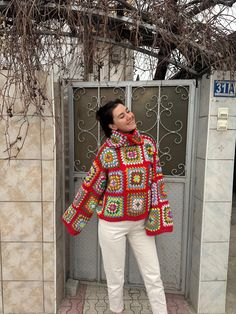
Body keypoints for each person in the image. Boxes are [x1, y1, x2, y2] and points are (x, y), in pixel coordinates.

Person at [62, 99, 173, 314]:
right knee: (115, 279)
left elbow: (156, 181)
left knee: (153, 275)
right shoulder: (107, 152)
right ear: (112, 126)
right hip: (112, 226)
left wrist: (157, 215)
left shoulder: (148, 145)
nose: (129, 116)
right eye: (122, 116)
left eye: (128, 111)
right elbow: (92, 186)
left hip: (141, 225)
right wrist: (74, 217)